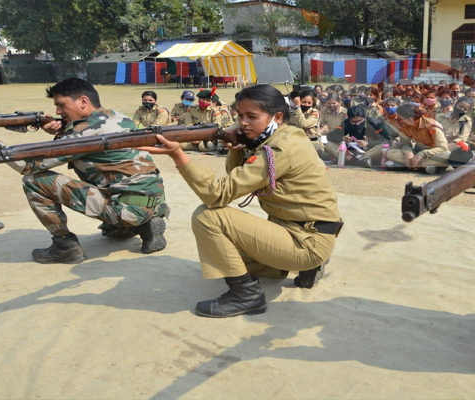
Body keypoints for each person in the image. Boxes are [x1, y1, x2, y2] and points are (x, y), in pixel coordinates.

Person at [138, 84, 342, 318]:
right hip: (305, 231)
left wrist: (178, 154)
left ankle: (246, 295)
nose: (242, 122)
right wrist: (237, 146)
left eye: (251, 116)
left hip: (306, 240)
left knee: (208, 217)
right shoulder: (286, 135)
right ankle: (301, 265)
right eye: (239, 115)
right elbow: (238, 176)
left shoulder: (279, 148)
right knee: (225, 253)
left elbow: (217, 195)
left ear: (277, 116)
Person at [3, 78, 168, 263]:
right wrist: (62, 134)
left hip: (125, 206)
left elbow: (28, 165)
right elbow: (87, 139)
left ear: (83, 101)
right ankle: (144, 225)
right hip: (155, 202)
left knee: (33, 181)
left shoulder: (82, 133)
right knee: (113, 229)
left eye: (61, 105)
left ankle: (64, 247)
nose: (58, 111)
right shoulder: (118, 117)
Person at [384, 104, 452, 174]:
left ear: (410, 120)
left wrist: (421, 154)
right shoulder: (404, 126)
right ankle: (428, 167)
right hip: (416, 152)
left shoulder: (432, 126)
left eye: (399, 119)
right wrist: (408, 153)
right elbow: (405, 144)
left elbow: (443, 147)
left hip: (434, 153)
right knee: (390, 153)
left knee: (447, 157)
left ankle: (409, 165)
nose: (397, 121)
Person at [325, 105, 391, 167]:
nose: (357, 124)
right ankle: (358, 161)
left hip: (370, 151)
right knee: (329, 144)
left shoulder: (376, 124)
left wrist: (367, 143)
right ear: (349, 119)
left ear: (365, 118)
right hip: (353, 151)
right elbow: (330, 136)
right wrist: (342, 138)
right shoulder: (346, 123)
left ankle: (349, 159)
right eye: (353, 122)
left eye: (359, 120)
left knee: (383, 147)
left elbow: (387, 141)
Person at [290, 90, 324, 158]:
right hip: (297, 142)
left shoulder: (314, 113)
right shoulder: (292, 113)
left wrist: (297, 107)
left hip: (313, 143)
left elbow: (304, 124)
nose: (306, 105)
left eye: (309, 103)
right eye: (304, 102)